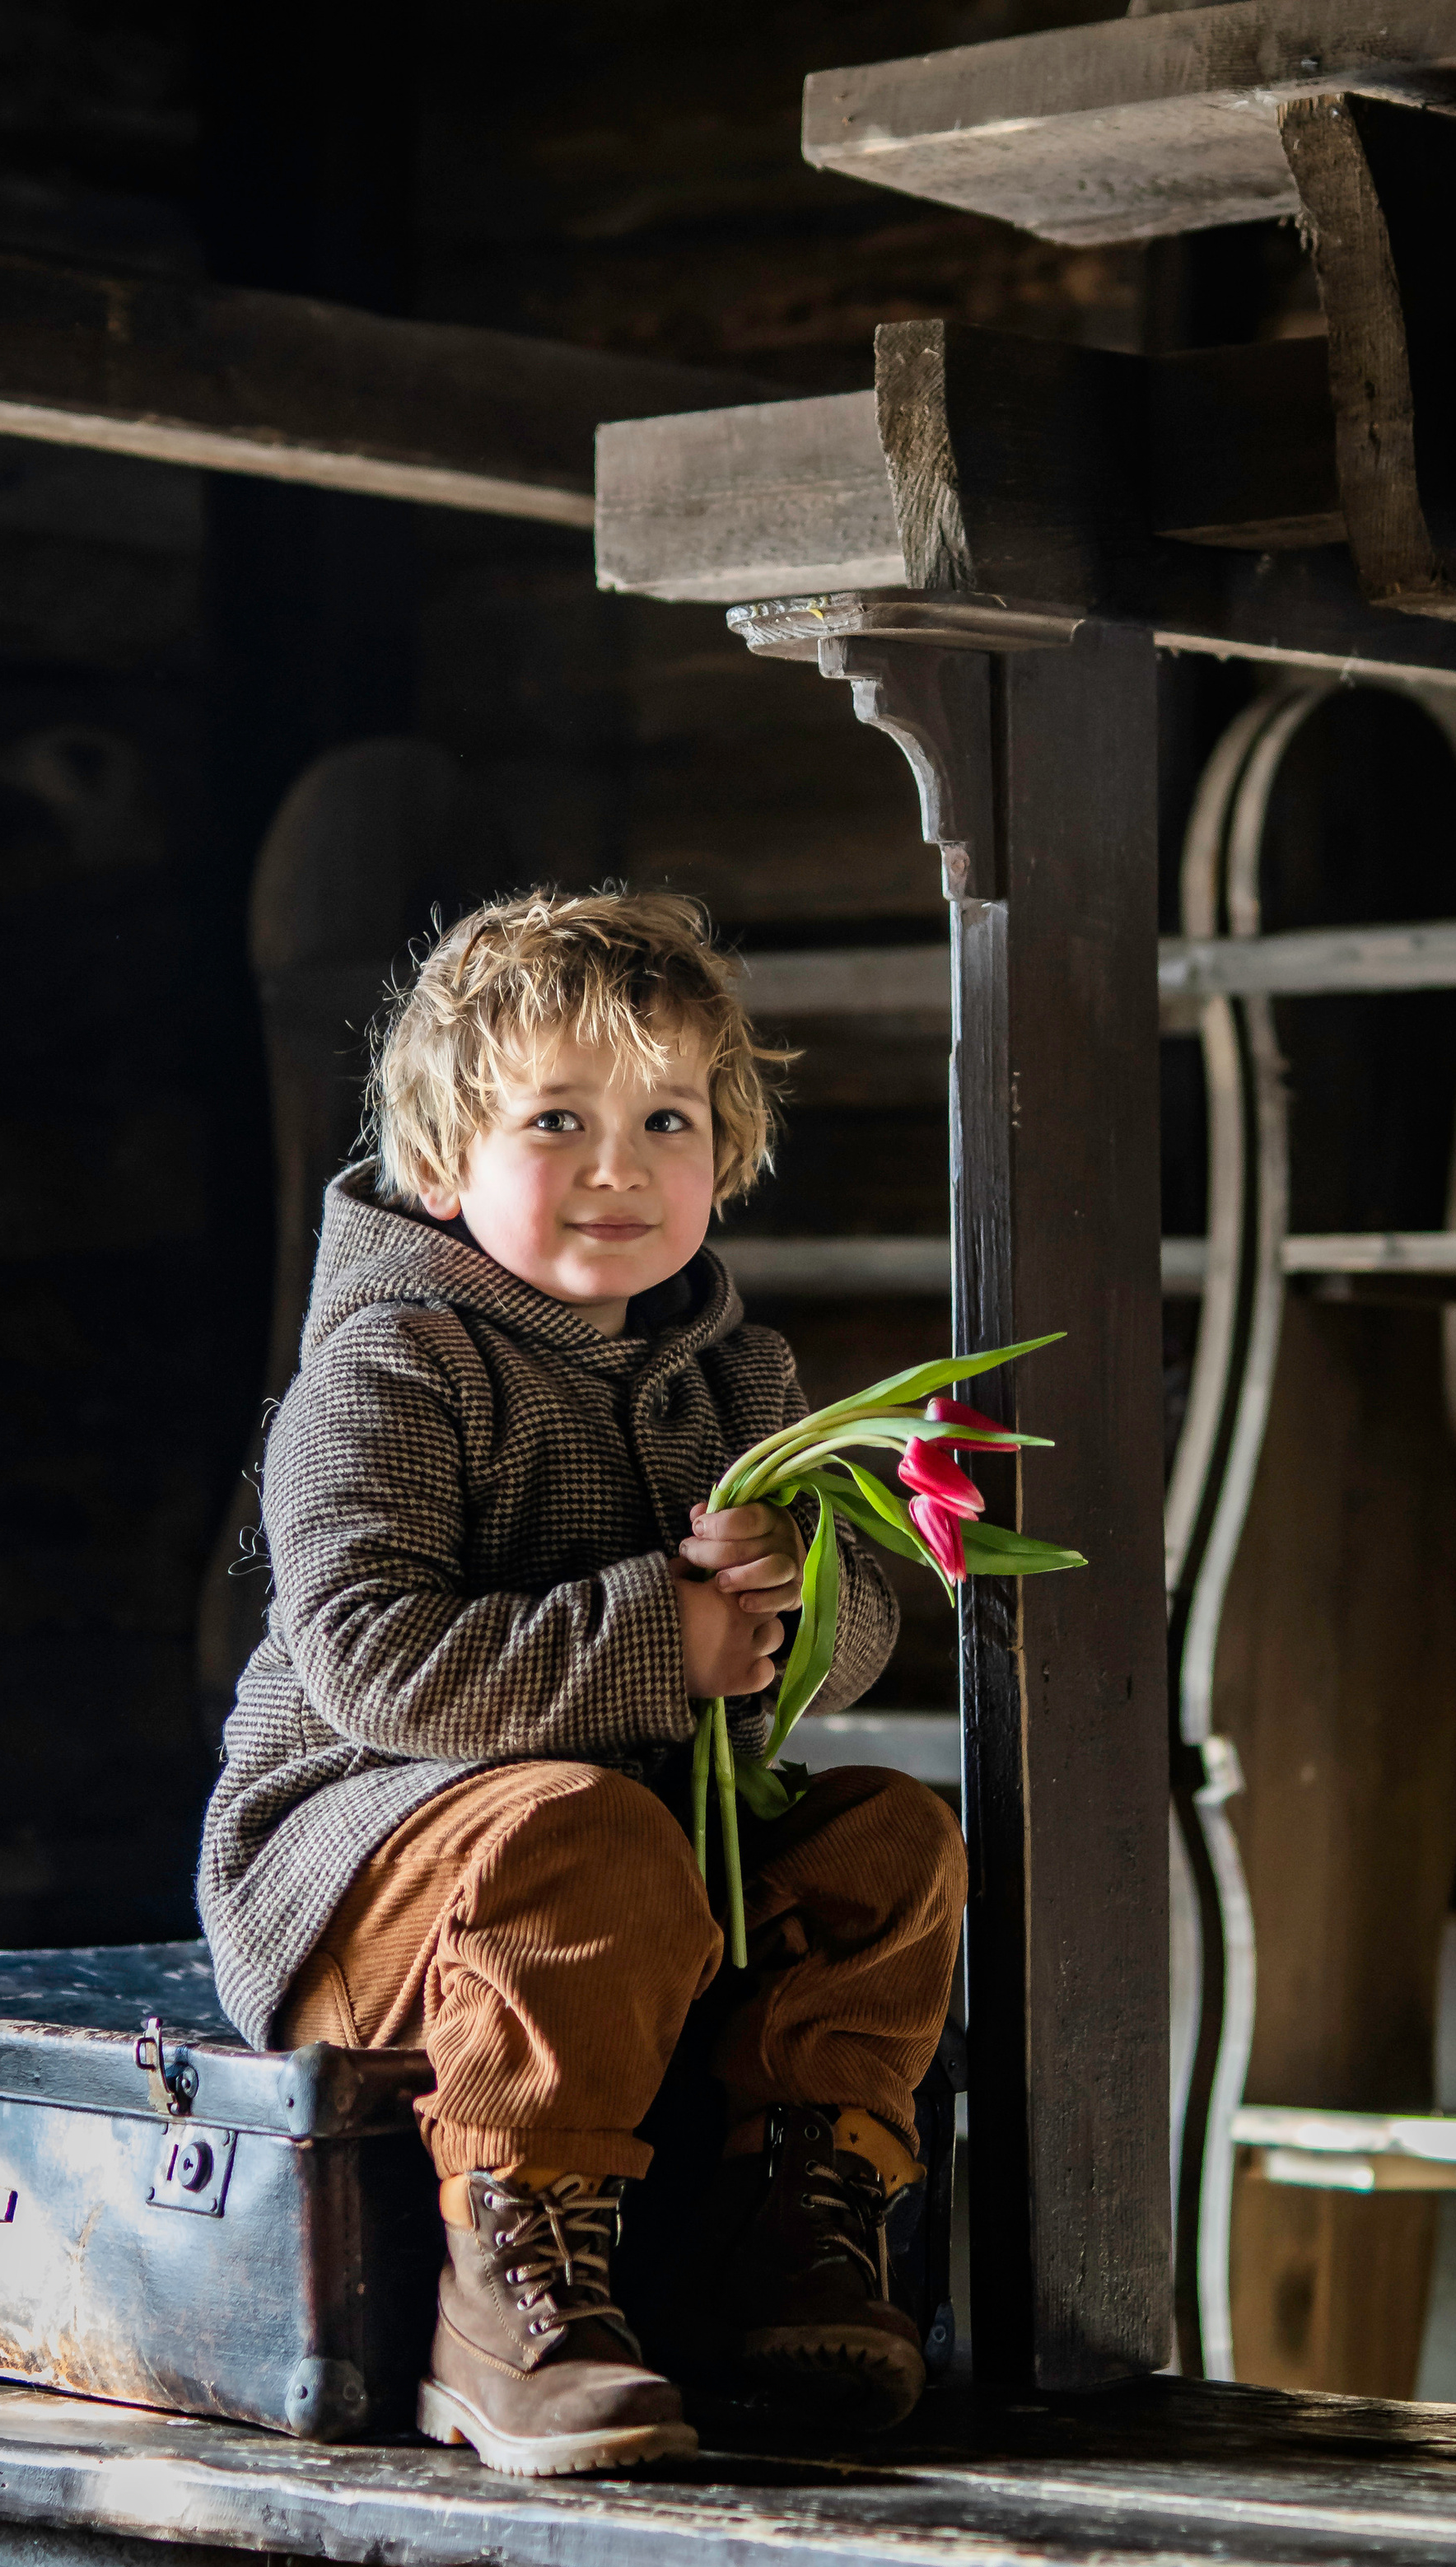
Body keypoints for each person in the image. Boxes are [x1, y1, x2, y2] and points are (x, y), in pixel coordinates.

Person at [198, 887, 965, 2476]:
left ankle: (782, 2241)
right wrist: (653, 1638)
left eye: (666, 1117)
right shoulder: (392, 1362)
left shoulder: (734, 1377)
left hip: (632, 1876)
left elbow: (847, 1641)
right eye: (558, 1117)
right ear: (438, 1158)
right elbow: (369, 1657)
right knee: (589, 1834)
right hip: (369, 1872)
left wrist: (793, 1601)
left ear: (725, 1152)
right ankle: (508, 2284)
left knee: (895, 1838)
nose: (620, 1164)